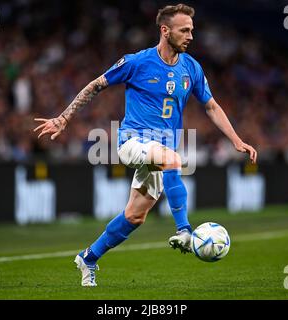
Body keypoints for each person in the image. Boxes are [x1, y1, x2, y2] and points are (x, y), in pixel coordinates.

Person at [34, 3, 257, 286]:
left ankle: (88, 258)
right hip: (132, 140)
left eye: (192, 30)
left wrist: (236, 140)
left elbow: (211, 106)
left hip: (160, 149)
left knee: (135, 216)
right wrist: (64, 118)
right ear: (165, 31)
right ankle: (185, 230)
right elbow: (96, 85)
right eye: (184, 30)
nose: (191, 36)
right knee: (173, 159)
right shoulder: (137, 62)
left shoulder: (191, 68)